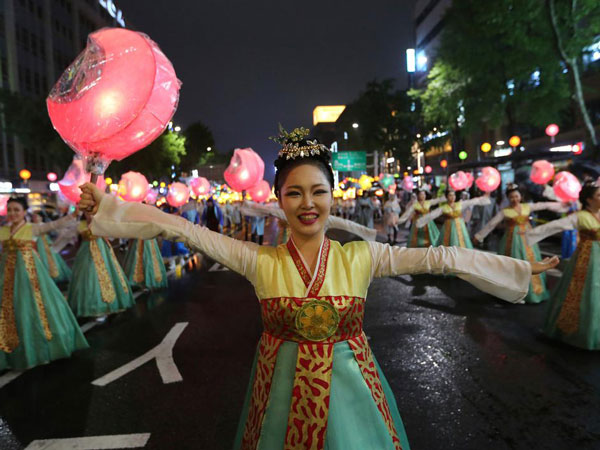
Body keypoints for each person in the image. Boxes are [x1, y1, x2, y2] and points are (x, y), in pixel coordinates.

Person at [80, 128, 557, 449]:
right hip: (279, 397)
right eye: (294, 192)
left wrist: (518, 268)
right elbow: (179, 229)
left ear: (332, 196)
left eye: (318, 192)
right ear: (279, 200)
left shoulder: (361, 257)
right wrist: (109, 205)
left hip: (354, 398)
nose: (307, 204)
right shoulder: (258, 260)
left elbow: (443, 257)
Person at [0, 197, 88, 370]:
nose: (12, 213)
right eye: (10, 210)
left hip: (30, 276)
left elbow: (54, 225)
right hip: (6, 275)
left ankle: (41, 347)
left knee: (33, 306)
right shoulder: (3, 230)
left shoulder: (32, 228)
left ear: (25, 212)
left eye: (16, 209)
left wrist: (74, 215)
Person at [526, 183, 600, 349]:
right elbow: (553, 226)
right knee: (586, 293)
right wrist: (529, 235)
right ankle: (581, 332)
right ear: (588, 200)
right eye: (599, 196)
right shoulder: (580, 216)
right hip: (586, 261)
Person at [474, 184, 567, 304]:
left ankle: (531, 292)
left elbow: (544, 205)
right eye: (511, 197)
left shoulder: (527, 207)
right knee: (513, 264)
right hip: (511, 241)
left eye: (516, 196)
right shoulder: (505, 211)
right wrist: (479, 236)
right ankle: (513, 293)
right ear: (508, 198)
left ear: (521, 196)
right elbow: (492, 224)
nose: (514, 199)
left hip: (528, 241)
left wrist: (563, 205)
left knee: (531, 263)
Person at [67, 214, 135, 318]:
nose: (88, 214)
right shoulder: (81, 224)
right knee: (88, 277)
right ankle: (91, 306)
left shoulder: (101, 221)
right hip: (86, 253)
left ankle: (103, 307)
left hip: (102, 252)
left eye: (90, 210)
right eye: (86, 211)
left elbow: (112, 233)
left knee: (103, 276)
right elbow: (73, 236)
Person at [416, 189, 491, 248]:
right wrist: (420, 222)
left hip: (460, 227)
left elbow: (473, 201)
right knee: (448, 243)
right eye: (450, 195)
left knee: (461, 241)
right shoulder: (443, 208)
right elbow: (432, 215)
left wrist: (485, 198)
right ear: (446, 197)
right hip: (448, 227)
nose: (452, 197)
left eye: (453, 195)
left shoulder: (460, 204)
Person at [31, 210, 74, 284]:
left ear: (41, 218)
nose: (35, 218)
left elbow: (55, 229)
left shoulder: (43, 225)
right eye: (34, 216)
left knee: (49, 259)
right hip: (37, 245)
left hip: (45, 244)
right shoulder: (31, 226)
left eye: (37, 216)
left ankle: (52, 276)